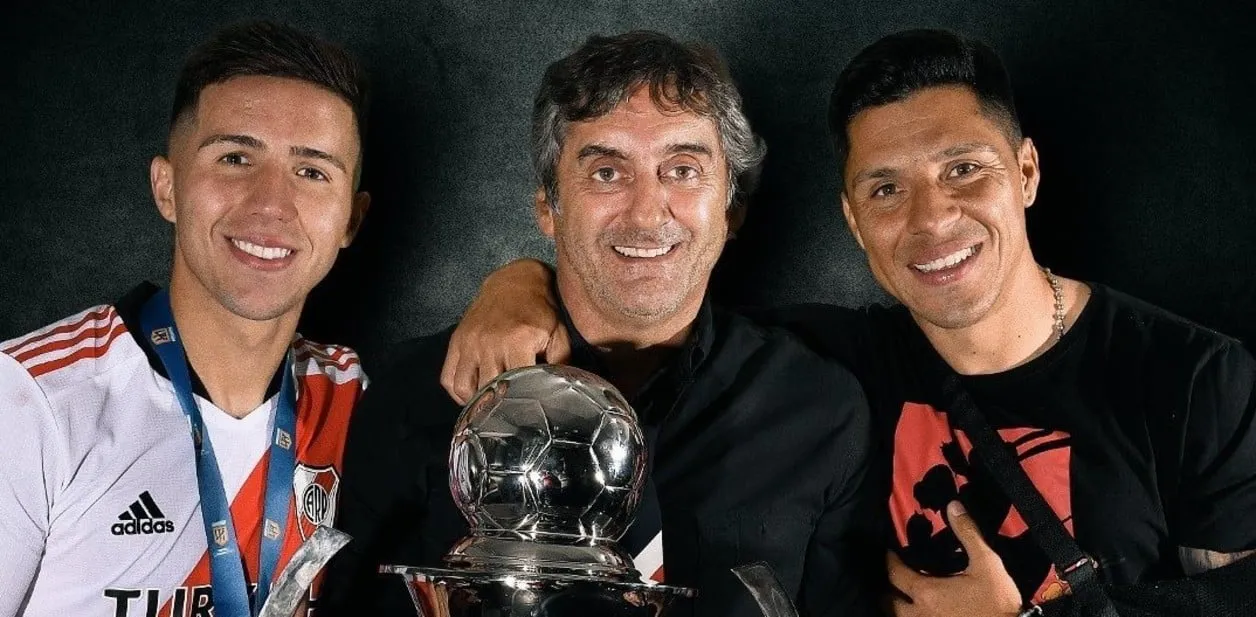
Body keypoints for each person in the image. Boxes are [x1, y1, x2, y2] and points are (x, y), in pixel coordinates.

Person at [440, 29, 1256, 616]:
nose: (931, 219)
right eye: (886, 189)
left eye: (964, 169)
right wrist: (517, 285)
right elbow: (654, 295)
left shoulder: (1194, 380)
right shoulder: (827, 364)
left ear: (1026, 172)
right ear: (853, 219)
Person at [322, 31, 874, 617]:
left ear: (731, 208)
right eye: (607, 172)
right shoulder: (423, 391)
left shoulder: (819, 408)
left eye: (683, 169)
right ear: (548, 207)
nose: (647, 213)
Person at [0, 21, 371, 617]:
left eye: (312, 171)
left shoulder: (354, 397)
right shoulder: (32, 398)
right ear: (167, 187)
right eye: (235, 158)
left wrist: (516, 283)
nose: (271, 204)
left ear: (350, 219)